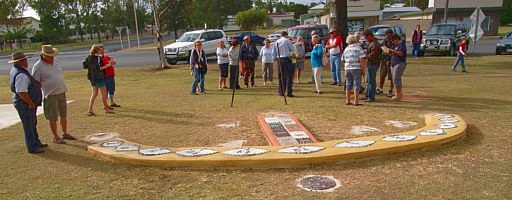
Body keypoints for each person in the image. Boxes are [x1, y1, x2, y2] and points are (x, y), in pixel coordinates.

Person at [31, 45, 76, 144]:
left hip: (61, 91)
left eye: (52, 55)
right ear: (43, 55)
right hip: (50, 94)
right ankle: (55, 136)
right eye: (49, 56)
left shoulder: (56, 61)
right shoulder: (38, 66)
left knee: (63, 114)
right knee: (52, 116)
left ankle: (65, 133)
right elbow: (35, 82)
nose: (52, 57)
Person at [8, 52, 46, 153]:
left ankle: (36, 142)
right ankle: (32, 147)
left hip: (25, 103)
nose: (27, 62)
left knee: (32, 123)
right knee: (28, 124)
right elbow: (21, 91)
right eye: (25, 60)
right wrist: (30, 103)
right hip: (24, 104)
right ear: (21, 62)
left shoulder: (17, 70)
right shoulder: (21, 74)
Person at [84, 45, 114, 116]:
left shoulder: (88, 58)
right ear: (97, 51)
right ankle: (106, 109)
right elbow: (99, 68)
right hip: (99, 78)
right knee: (104, 94)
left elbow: (85, 66)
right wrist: (107, 66)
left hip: (92, 78)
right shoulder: (98, 58)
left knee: (94, 93)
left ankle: (90, 109)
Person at [341, 35, 366, 106]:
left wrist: (347, 64)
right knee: (356, 84)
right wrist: (363, 70)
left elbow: (342, 59)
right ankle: (356, 100)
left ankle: (347, 100)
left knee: (348, 83)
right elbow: (362, 59)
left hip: (348, 68)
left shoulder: (346, 49)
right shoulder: (358, 48)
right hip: (356, 68)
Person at [273, 31, 296, 97]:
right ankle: (289, 92)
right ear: (286, 35)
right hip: (286, 59)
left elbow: (273, 53)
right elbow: (292, 49)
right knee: (289, 76)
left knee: (281, 76)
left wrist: (275, 59)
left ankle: (281, 92)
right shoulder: (287, 41)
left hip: (279, 59)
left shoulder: (276, 42)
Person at [363, 29, 382, 102]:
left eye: (366, 37)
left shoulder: (375, 44)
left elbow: (373, 55)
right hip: (370, 63)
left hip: (373, 64)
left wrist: (365, 56)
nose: (366, 39)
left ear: (370, 36)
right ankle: (367, 95)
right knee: (369, 81)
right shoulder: (371, 43)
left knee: (371, 81)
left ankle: (371, 96)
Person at [388, 34, 407, 101]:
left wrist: (392, 50)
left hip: (399, 63)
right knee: (394, 79)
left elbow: (400, 53)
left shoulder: (401, 44)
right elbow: (395, 54)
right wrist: (389, 53)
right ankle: (398, 93)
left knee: (396, 79)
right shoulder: (396, 45)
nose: (392, 42)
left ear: (396, 39)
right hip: (394, 63)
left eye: (393, 40)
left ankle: (398, 94)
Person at [378, 29, 395, 97]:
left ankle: (391, 90)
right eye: (386, 34)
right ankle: (380, 88)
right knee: (382, 76)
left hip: (391, 61)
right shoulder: (385, 40)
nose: (387, 36)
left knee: (391, 77)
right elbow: (382, 47)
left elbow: (394, 51)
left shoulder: (394, 41)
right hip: (384, 60)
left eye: (389, 34)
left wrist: (389, 53)